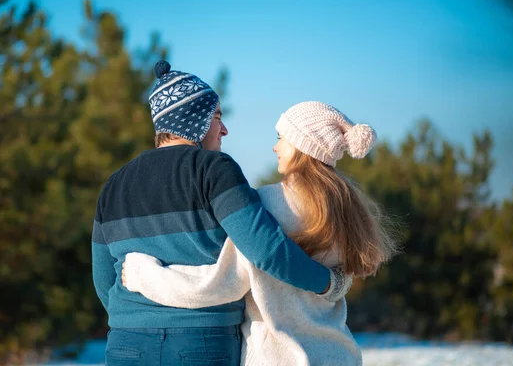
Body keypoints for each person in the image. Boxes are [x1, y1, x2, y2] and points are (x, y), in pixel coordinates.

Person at [92, 62, 350, 366]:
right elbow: (265, 250)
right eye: (216, 117)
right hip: (200, 341)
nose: (224, 129)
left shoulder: (114, 184)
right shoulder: (214, 170)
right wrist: (328, 283)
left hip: (126, 342)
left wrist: (135, 316)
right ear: (194, 120)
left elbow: (103, 278)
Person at [122, 101, 401, 365]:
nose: (274, 147)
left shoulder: (265, 205)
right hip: (341, 354)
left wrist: (144, 276)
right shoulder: (347, 208)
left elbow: (222, 283)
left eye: (281, 138)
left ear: (302, 145)